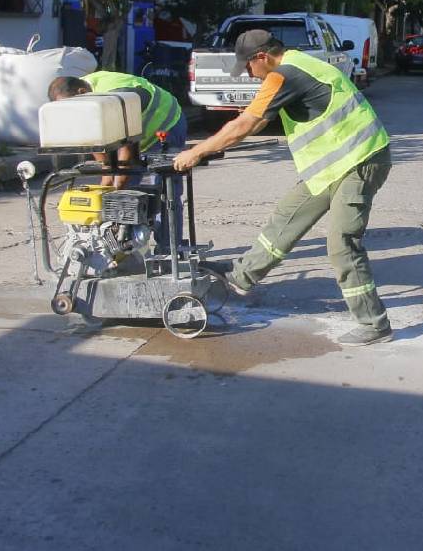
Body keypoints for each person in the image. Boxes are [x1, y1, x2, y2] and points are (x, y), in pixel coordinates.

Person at [172, 29, 394, 347]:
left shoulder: (282, 75)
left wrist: (195, 151)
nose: (248, 73)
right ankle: (241, 276)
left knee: (342, 242)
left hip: (359, 161)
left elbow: (246, 125)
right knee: (288, 216)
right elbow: (255, 121)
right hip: (334, 164)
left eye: (248, 66)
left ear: (262, 57)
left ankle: (374, 323)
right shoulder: (301, 64)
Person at [47, 72, 187, 252]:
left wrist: (116, 187)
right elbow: (93, 139)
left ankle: (169, 250)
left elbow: (127, 146)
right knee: (125, 195)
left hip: (166, 125)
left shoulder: (118, 96)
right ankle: (123, 249)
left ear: (82, 91)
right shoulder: (82, 97)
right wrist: (105, 178)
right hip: (135, 134)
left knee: (162, 192)